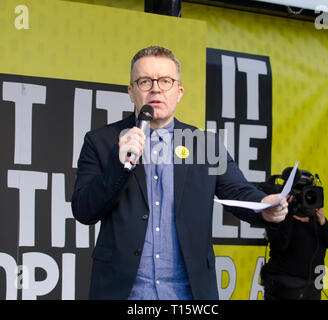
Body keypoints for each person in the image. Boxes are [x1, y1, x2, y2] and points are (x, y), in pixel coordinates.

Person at [71, 46, 288, 300]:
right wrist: (118, 165)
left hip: (188, 294)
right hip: (124, 292)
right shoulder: (101, 141)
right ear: (131, 92)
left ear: (179, 92)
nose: (155, 89)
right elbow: (84, 210)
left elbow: (238, 191)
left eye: (165, 81)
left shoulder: (205, 145)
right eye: (145, 81)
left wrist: (264, 205)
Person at [261, 168, 328, 300]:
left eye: (306, 191)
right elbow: (280, 244)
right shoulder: (278, 215)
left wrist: (323, 222)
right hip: (282, 290)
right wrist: (289, 211)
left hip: (312, 290)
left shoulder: (316, 220)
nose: (302, 195)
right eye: (298, 190)